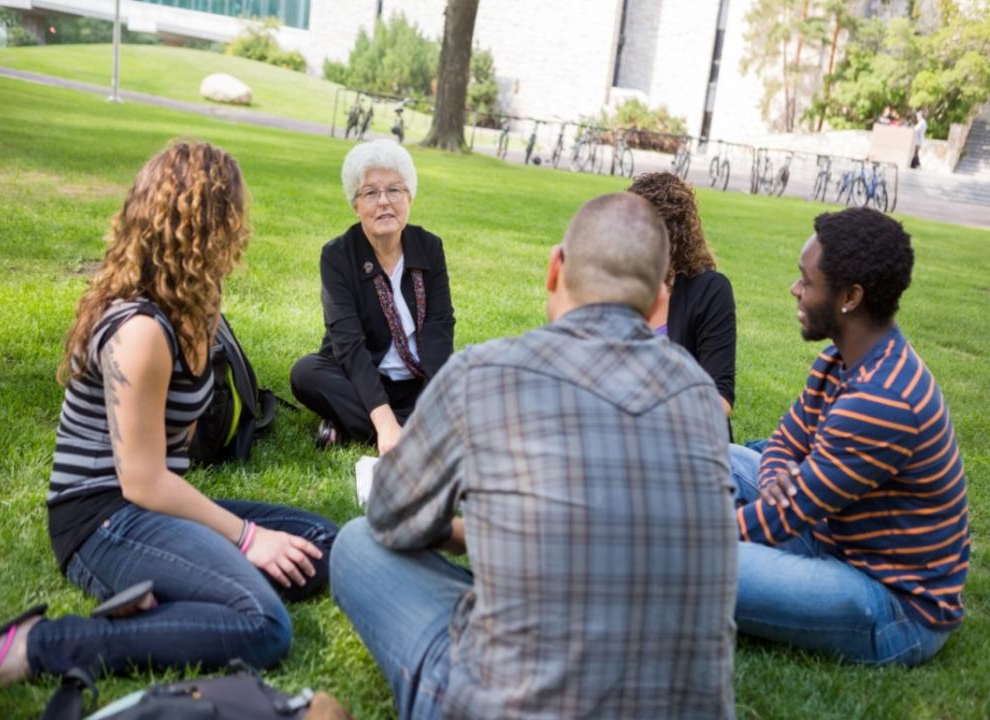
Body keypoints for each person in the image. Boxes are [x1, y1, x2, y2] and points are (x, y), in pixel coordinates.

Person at [331, 193, 738, 719]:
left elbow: (389, 516)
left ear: (555, 267)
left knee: (357, 543)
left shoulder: (484, 372)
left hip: (508, 703)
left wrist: (465, 530)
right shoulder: (700, 398)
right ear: (659, 292)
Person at [0, 142, 338, 689]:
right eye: (235, 215)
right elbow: (142, 479)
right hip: (99, 520)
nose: (244, 231)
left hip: (156, 508)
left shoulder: (198, 305)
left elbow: (180, 451)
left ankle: (172, 592)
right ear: (207, 225)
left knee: (323, 543)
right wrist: (244, 538)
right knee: (264, 626)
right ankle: (41, 645)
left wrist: (205, 539)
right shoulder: (140, 330)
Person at [730, 207, 968, 666]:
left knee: (691, 560)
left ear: (850, 297)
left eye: (807, 280)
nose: (795, 289)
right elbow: (783, 442)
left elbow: (785, 517)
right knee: (711, 456)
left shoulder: (884, 398)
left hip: (893, 605)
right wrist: (777, 475)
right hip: (831, 536)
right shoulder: (837, 361)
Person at [291, 139, 454, 455]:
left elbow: (439, 329)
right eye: (370, 193)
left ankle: (351, 422)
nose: (384, 202)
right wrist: (383, 421)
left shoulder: (429, 247)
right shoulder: (337, 256)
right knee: (306, 373)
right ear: (356, 205)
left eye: (394, 190)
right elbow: (349, 346)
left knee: (471, 381)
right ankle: (407, 429)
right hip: (359, 379)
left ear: (409, 197)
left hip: (415, 383)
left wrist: (436, 399)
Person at [627, 172, 736, 419]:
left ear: (673, 239)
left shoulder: (710, 290)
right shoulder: (619, 281)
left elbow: (722, 398)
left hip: (686, 434)